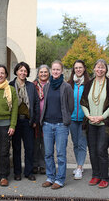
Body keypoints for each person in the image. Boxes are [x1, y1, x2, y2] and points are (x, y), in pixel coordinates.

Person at [80, 59, 109, 189]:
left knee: (102, 150)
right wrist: (89, 116)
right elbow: (83, 102)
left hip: (104, 123)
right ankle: (95, 175)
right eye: (98, 67)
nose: (100, 70)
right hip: (90, 122)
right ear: (94, 69)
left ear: (106, 70)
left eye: (102, 68)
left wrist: (102, 117)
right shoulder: (89, 83)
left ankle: (104, 177)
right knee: (92, 150)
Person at [41, 60, 74, 189]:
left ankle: (59, 180)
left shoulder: (66, 87)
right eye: (53, 69)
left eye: (58, 70)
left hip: (61, 125)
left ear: (62, 71)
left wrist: (64, 118)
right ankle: (50, 177)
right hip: (47, 124)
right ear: (51, 71)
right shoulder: (47, 86)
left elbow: (70, 106)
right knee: (48, 153)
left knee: (60, 154)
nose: (55, 72)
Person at [10, 62, 40, 181]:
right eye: (20, 70)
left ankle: (28, 171)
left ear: (27, 73)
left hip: (28, 121)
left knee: (29, 148)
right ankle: (17, 172)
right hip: (15, 121)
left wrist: (35, 120)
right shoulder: (10, 85)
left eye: (25, 71)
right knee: (16, 148)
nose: (23, 73)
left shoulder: (31, 86)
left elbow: (36, 103)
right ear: (16, 71)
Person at [67, 60, 89, 180]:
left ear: (84, 69)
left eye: (80, 67)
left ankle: (80, 167)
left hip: (84, 119)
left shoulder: (89, 84)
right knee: (75, 144)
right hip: (72, 120)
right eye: (76, 68)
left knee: (82, 144)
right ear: (73, 70)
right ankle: (78, 164)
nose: (78, 70)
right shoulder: (69, 84)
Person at [33, 65, 50, 175]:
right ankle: (35, 164)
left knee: (45, 144)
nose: (43, 74)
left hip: (48, 118)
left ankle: (43, 165)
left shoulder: (52, 85)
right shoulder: (33, 86)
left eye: (45, 72)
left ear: (49, 73)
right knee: (35, 143)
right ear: (38, 73)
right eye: (41, 72)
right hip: (35, 118)